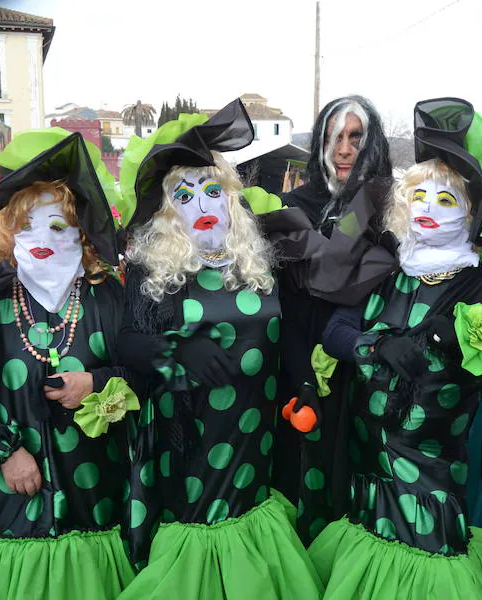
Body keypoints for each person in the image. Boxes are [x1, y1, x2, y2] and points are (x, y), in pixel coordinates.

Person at [310, 97, 482, 599]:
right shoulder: (387, 269)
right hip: (368, 475)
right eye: (419, 196)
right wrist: (374, 347)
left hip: (432, 478)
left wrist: (476, 342)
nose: (426, 209)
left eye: (445, 200)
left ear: (472, 214)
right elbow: (335, 332)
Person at [115, 99, 322, 599]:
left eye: (212, 192)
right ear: (169, 214)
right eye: (184, 197)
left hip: (255, 441)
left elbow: (287, 333)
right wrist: (175, 352)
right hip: (188, 440)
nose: (203, 206)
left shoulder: (259, 264)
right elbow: (126, 343)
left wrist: (306, 385)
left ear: (230, 201)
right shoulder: (157, 270)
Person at [0, 129, 135, 599]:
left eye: (58, 226)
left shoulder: (109, 297)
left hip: (97, 497)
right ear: (8, 231)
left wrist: (99, 381)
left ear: (82, 231)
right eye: (26, 225)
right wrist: (6, 452)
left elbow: (148, 372)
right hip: (17, 498)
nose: (41, 239)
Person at [276, 95, 398, 543]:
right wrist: (301, 375)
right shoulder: (293, 206)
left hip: (363, 367)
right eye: (333, 137)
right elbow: (282, 306)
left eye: (355, 137)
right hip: (301, 363)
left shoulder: (393, 210)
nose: (344, 149)